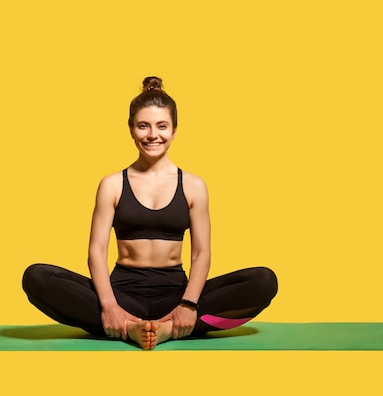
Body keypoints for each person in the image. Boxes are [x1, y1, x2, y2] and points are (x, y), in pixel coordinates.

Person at [22, 77, 278, 350]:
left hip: (176, 294)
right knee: (36, 277)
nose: (152, 134)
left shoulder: (194, 186)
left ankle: (170, 327)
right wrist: (110, 306)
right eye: (143, 125)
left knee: (263, 281)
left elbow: (201, 253)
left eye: (162, 126)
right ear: (131, 130)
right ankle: (126, 325)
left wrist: (188, 304)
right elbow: (96, 251)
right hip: (122, 294)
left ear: (175, 130)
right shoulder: (112, 184)